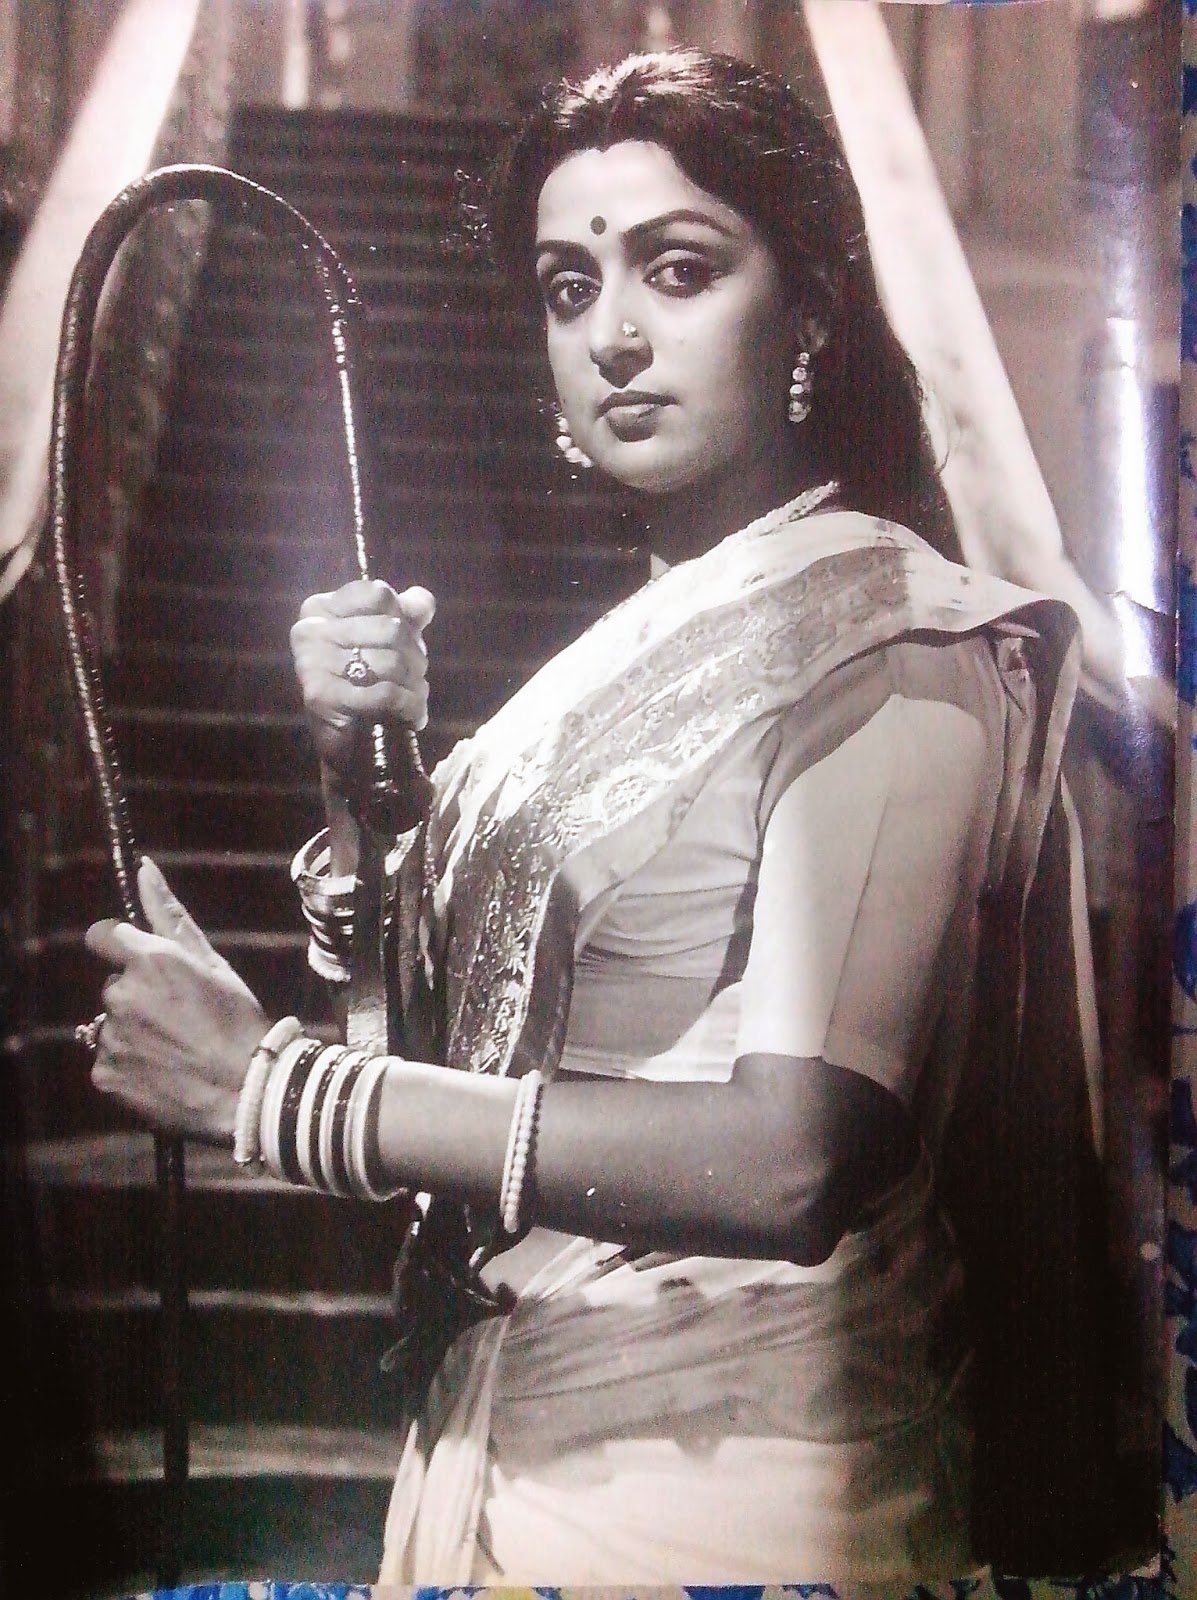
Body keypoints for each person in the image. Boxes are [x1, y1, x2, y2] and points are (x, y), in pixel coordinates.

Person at [84, 49, 1116, 1588]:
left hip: (737, 1489)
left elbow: (789, 1158)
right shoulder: (625, 655)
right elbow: (453, 1068)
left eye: (678, 270)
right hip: (504, 1446)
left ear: (811, 318)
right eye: (568, 288)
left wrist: (269, 1090)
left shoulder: (892, 642)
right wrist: (366, 786)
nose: (612, 335)